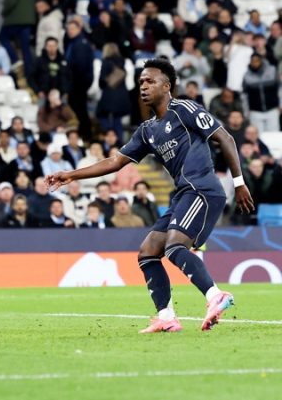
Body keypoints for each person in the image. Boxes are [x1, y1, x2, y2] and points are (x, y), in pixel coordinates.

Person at [46, 58, 254, 333]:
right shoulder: (147, 130)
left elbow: (225, 137)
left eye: (150, 81)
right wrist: (72, 175)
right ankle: (166, 316)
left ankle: (216, 295)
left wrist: (239, 183)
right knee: (148, 252)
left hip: (202, 189)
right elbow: (115, 162)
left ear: (166, 86)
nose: (143, 86)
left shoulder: (185, 109)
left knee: (175, 247)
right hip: (183, 194)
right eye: (141, 82)